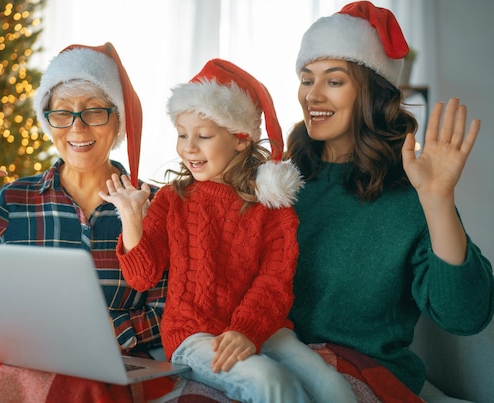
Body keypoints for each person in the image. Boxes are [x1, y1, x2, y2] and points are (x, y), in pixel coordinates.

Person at [100, 59, 356, 403]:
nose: (189, 147)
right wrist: (131, 219)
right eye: (182, 134)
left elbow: (274, 282)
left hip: (265, 329)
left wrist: (247, 330)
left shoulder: (272, 207)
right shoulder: (171, 201)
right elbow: (142, 276)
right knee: (267, 380)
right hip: (194, 336)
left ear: (240, 139)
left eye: (203, 136)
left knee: (333, 387)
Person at [286, 1, 494, 396]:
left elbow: (466, 316)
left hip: (364, 377)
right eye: (306, 78)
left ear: (371, 92)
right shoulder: (282, 182)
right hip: (273, 363)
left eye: (333, 81)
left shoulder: (409, 196)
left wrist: (437, 200)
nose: (312, 95)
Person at [0, 42, 166, 353]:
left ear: (119, 119)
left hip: (112, 365)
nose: (77, 127)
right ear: (48, 120)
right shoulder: (15, 199)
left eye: (94, 110)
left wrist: (111, 330)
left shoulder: (154, 205)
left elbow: (170, 313)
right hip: (21, 357)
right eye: (62, 112)